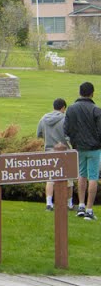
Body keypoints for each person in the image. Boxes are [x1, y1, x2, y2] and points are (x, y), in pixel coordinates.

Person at [63, 82, 101, 221]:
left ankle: (80, 206)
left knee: (82, 176)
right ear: (92, 93)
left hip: (78, 148)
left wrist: (74, 141)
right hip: (94, 148)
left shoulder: (71, 109)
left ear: (80, 92)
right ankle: (89, 210)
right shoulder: (96, 110)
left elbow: (66, 129)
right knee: (93, 177)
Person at [37, 98, 73, 211]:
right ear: (63, 108)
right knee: (69, 178)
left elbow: (39, 134)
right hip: (64, 152)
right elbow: (69, 136)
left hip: (49, 151)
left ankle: (49, 203)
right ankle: (69, 203)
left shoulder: (43, 118)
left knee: (50, 178)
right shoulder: (65, 119)